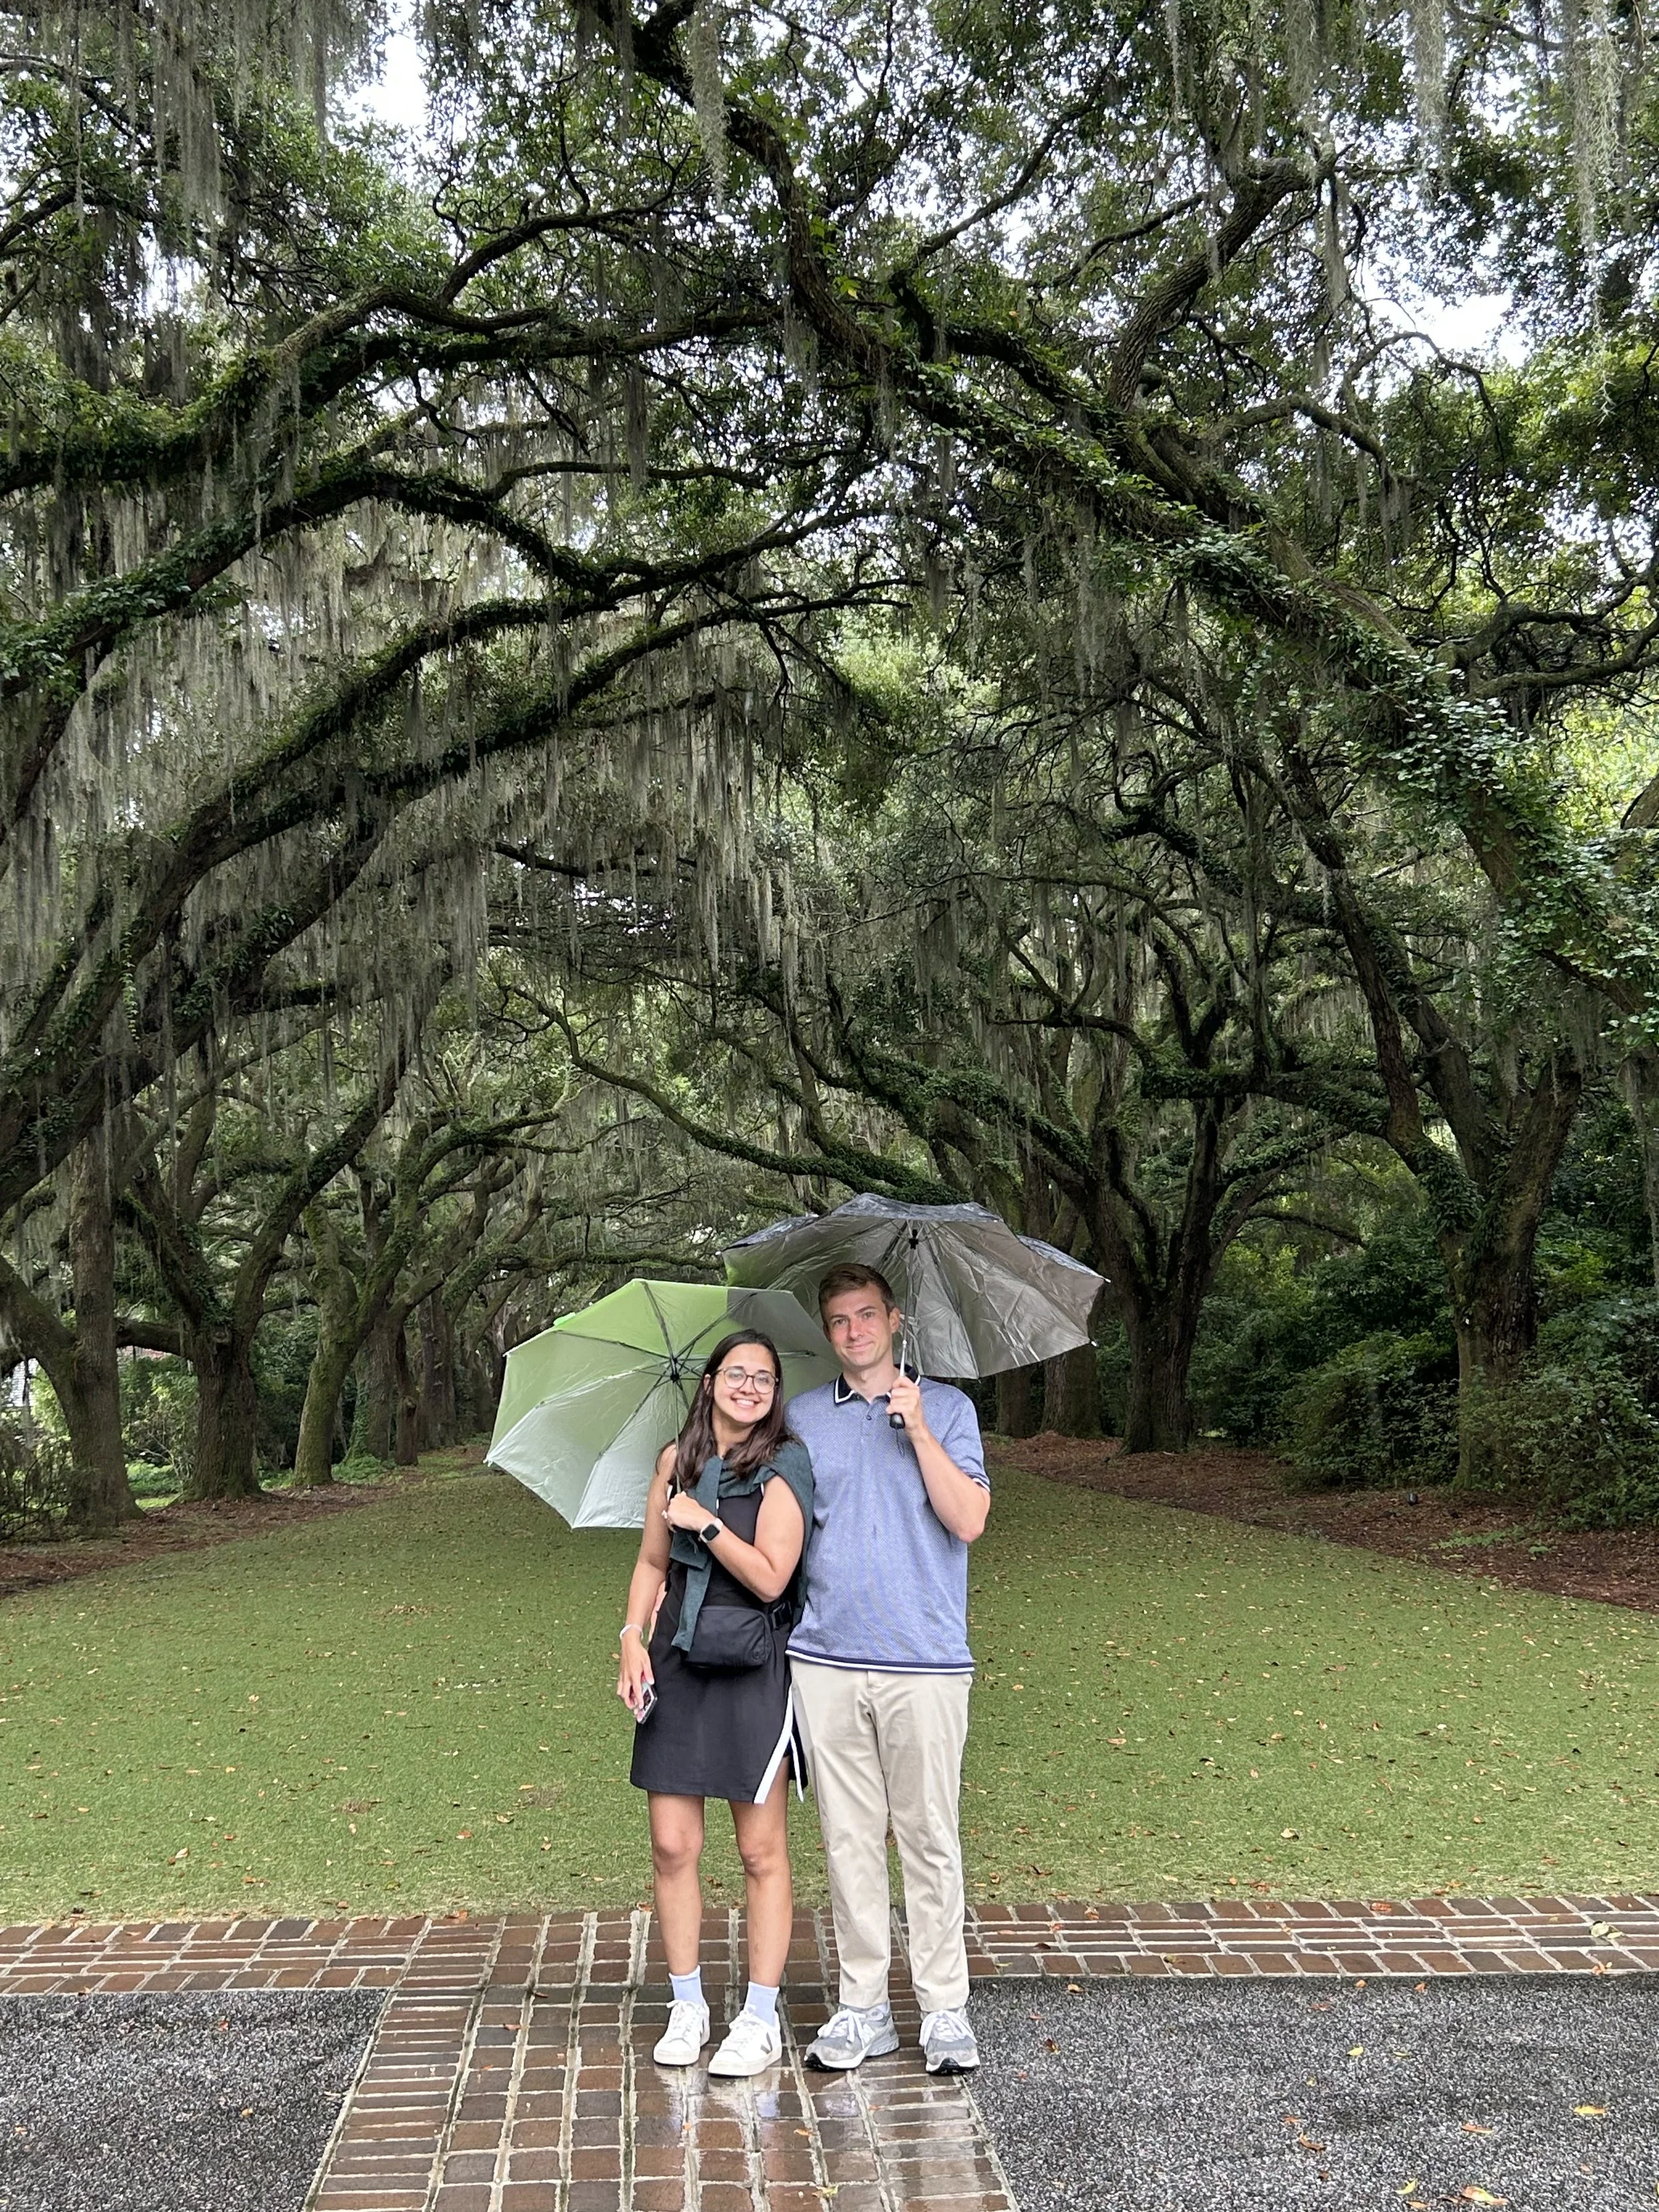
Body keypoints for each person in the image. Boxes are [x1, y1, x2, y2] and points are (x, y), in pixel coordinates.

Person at [786, 1263, 991, 2075]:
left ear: (894, 1319)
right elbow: (779, 1528)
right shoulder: (803, 1419)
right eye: (838, 1321)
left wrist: (919, 1432)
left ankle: (944, 2009)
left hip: (926, 1662)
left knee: (929, 1839)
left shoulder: (947, 1408)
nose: (854, 1332)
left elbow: (968, 1519)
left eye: (866, 1316)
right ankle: (862, 2006)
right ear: (828, 1333)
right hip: (827, 1661)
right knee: (847, 1842)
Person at [615, 1330, 814, 2078]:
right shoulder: (676, 1462)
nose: (750, 1387)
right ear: (709, 1383)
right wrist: (632, 1636)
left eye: (765, 1377)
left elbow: (770, 1578)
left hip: (752, 1664)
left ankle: (759, 2017)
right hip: (677, 1658)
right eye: (738, 1373)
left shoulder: (785, 1467)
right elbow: (649, 1561)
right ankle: (688, 2004)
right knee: (672, 1845)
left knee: (760, 1851)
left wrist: (706, 1522)